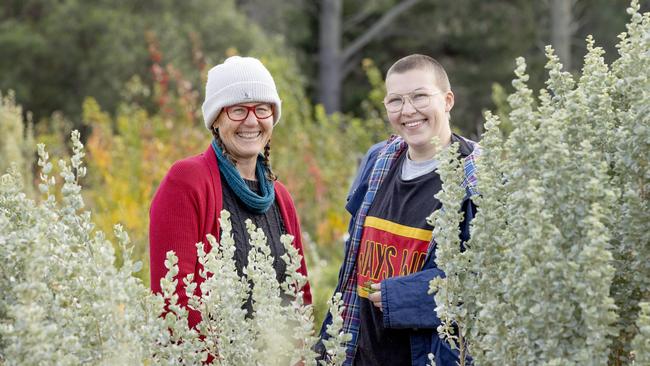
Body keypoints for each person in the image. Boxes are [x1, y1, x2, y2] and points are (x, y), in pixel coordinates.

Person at [318, 54, 479, 365]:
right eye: (395, 101)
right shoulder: (379, 159)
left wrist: (402, 296)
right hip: (361, 354)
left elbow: (485, 283)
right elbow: (352, 272)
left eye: (420, 96)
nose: (408, 111)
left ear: (447, 100)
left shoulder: (477, 177)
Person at [149, 56, 311, 329]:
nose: (251, 121)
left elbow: (299, 300)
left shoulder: (279, 197)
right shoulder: (187, 182)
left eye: (262, 109)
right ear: (216, 119)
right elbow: (173, 303)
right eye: (238, 110)